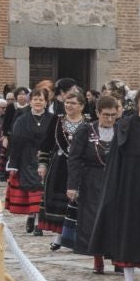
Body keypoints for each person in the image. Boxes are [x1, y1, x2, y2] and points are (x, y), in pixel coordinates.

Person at [88, 85, 140, 281]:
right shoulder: (125, 125)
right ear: (138, 102)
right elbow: (115, 162)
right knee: (129, 236)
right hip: (131, 189)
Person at [65, 93, 119, 272]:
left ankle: (117, 257)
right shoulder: (86, 130)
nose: (109, 119)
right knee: (93, 219)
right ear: (97, 112)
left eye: (113, 115)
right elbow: (74, 158)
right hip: (91, 179)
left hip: (115, 179)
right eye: (105, 115)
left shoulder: (121, 130)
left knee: (115, 219)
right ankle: (98, 258)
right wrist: (72, 185)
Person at [41, 91, 86, 249]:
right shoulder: (57, 121)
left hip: (81, 168)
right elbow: (45, 144)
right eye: (67, 102)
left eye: (73, 103)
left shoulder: (87, 124)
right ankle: (59, 236)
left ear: (81, 106)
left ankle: (77, 238)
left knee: (78, 203)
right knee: (62, 204)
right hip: (60, 166)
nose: (69, 106)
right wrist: (42, 164)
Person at [5, 89, 54, 232]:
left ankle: (37, 220)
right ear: (30, 101)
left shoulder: (53, 119)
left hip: (46, 159)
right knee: (33, 189)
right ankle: (34, 218)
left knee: (42, 190)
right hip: (26, 159)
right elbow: (15, 142)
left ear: (46, 102)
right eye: (35, 99)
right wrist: (13, 163)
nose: (38, 102)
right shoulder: (22, 119)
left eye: (41, 99)